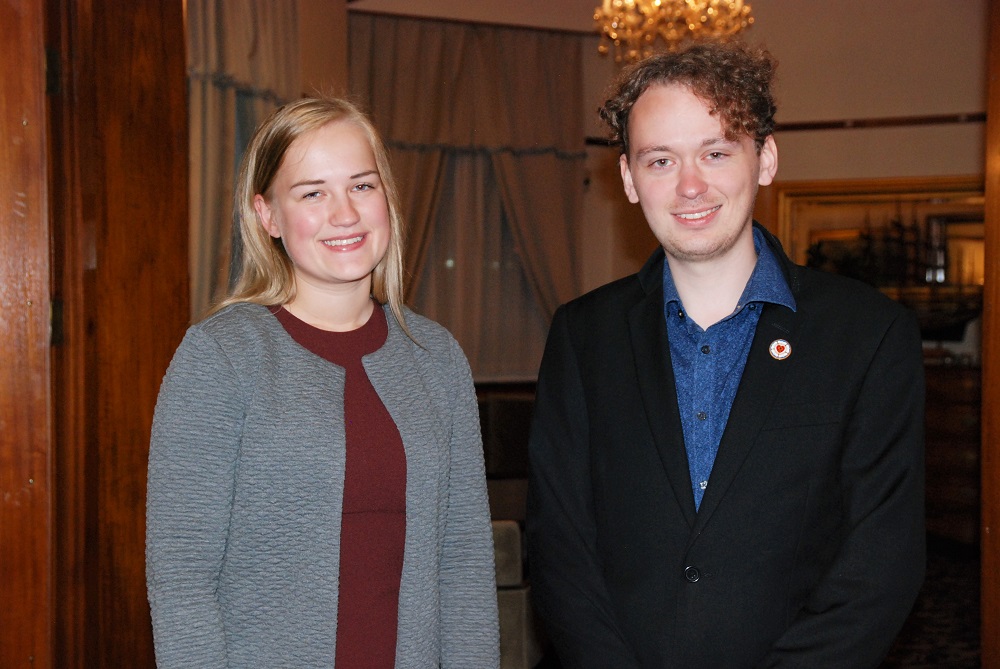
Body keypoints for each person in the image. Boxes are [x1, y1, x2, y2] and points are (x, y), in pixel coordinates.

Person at [526, 42, 925, 668]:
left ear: (764, 159)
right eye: (661, 160)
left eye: (716, 152)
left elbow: (881, 563)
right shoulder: (582, 337)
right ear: (629, 179)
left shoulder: (869, 335)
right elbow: (559, 550)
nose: (690, 185)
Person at [146, 97, 500, 668]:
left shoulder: (437, 358)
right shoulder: (221, 357)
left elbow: (464, 568)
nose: (345, 214)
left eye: (362, 186)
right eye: (313, 193)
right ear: (268, 216)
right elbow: (182, 579)